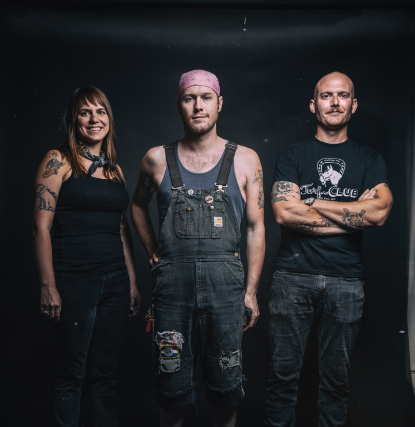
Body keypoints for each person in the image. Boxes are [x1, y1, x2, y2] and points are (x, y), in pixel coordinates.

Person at [130, 69, 265, 427]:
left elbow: (256, 227)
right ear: (179, 104)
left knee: (226, 383)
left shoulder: (246, 159)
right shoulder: (157, 159)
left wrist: (251, 292)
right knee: (171, 382)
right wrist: (152, 249)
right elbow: (137, 205)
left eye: (206, 98)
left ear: (219, 104)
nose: (198, 106)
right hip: (172, 291)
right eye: (190, 98)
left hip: (226, 290)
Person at [265, 72, 393, 427]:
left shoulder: (370, 159)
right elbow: (284, 212)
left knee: (336, 384)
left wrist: (313, 201)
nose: (335, 102)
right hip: (292, 278)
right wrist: (354, 215)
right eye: (326, 95)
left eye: (343, 95)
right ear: (313, 105)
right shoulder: (292, 155)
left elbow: (380, 213)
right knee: (281, 379)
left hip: (346, 281)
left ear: (354, 105)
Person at [32, 86, 141, 426]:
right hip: (74, 281)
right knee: (73, 372)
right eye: (85, 112)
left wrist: (132, 282)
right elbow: (40, 227)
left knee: (106, 373)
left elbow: (121, 229)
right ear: (74, 119)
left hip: (115, 282)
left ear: (109, 119)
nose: (94, 119)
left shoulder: (115, 170)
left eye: (100, 111)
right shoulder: (58, 160)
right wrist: (48, 286)